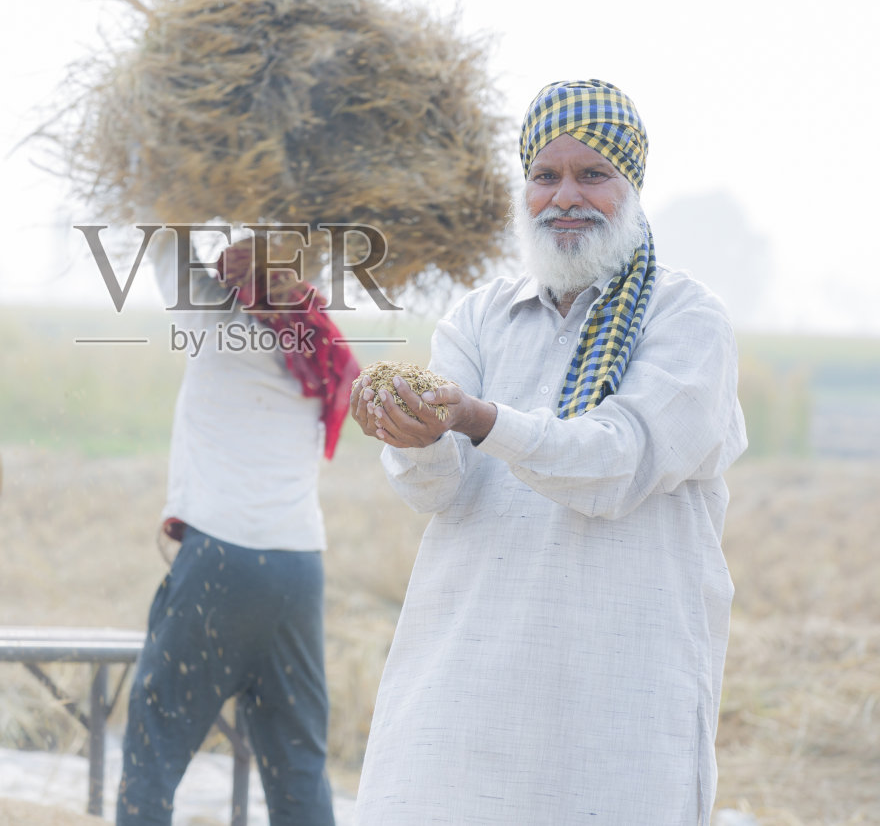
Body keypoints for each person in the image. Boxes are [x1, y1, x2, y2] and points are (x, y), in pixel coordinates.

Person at [351, 80, 748, 825]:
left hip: (617, 686)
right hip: (466, 672)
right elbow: (436, 489)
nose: (566, 196)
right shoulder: (480, 315)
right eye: (545, 175)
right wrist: (413, 432)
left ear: (631, 185)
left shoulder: (687, 319)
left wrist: (478, 417)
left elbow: (619, 461)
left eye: (592, 174)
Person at [116, 228, 358, 826]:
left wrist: (164, 178)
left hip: (222, 563)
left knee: (153, 754)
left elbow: (165, 236)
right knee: (296, 767)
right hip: (298, 569)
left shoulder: (214, 315)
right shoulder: (318, 339)